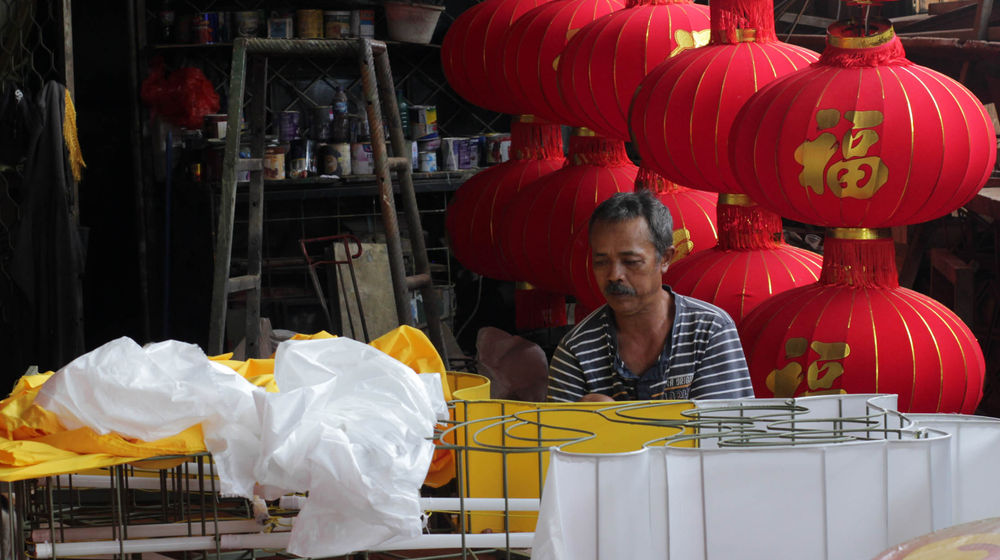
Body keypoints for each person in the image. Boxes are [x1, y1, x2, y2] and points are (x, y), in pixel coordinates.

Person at [547, 191, 754, 402]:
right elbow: (559, 434)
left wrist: (614, 422)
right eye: (601, 262)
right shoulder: (576, 350)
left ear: (665, 259)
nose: (614, 275)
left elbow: (723, 429)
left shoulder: (709, 330)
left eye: (631, 261)